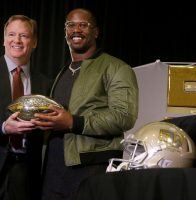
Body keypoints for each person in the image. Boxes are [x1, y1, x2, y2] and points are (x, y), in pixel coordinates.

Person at [32, 8, 138, 200]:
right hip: (53, 172)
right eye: (70, 25)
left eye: (83, 25)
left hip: (91, 170)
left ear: (96, 32)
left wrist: (74, 122)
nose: (76, 30)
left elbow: (124, 116)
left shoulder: (117, 68)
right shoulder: (63, 72)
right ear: (65, 32)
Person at [0, 15, 51, 200]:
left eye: (24, 35)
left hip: (27, 174)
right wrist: (4, 127)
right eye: (12, 34)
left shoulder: (46, 85)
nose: (17, 40)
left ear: (34, 42)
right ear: (4, 39)